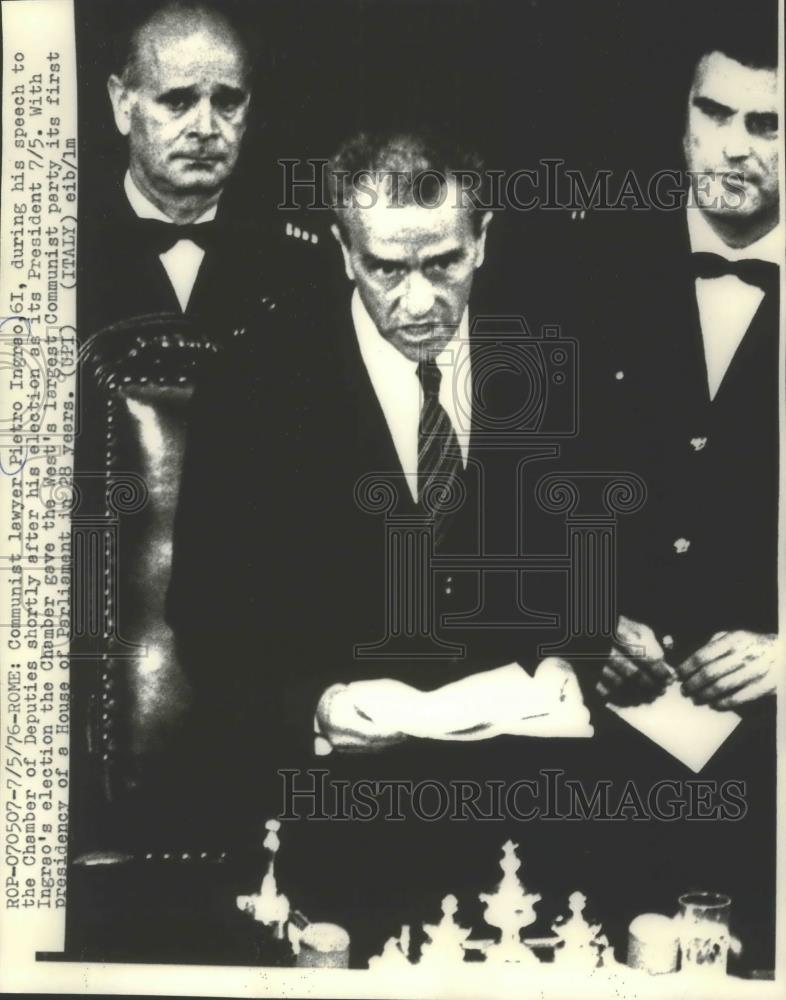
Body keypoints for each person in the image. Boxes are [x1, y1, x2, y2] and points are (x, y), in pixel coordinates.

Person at [167, 129, 594, 960]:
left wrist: (576, 651)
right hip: (334, 799)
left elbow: (589, 566)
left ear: (484, 239)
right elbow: (207, 618)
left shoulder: (549, 359)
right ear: (340, 248)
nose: (419, 301)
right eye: (385, 269)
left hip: (523, 796)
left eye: (443, 262)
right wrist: (315, 708)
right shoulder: (256, 383)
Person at [581, 14, 780, 970]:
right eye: (717, 113)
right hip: (596, 740)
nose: (737, 144)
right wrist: (573, 617)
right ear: (684, 123)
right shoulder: (582, 273)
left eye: (771, 124)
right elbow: (500, 484)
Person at [79, 0, 317, 339]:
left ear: (247, 109)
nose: (205, 127)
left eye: (227, 102)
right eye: (178, 101)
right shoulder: (69, 245)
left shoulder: (296, 263)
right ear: (122, 104)